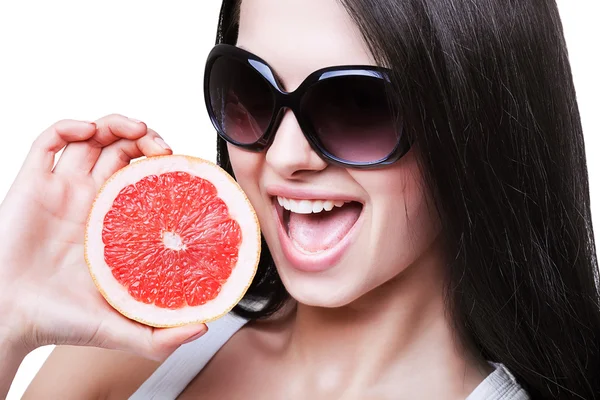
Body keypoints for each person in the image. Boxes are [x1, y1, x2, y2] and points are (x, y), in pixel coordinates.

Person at [1, 0, 599, 398]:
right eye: (251, 90)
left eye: (358, 106)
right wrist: (8, 314)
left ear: (478, 124)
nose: (286, 157)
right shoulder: (129, 356)